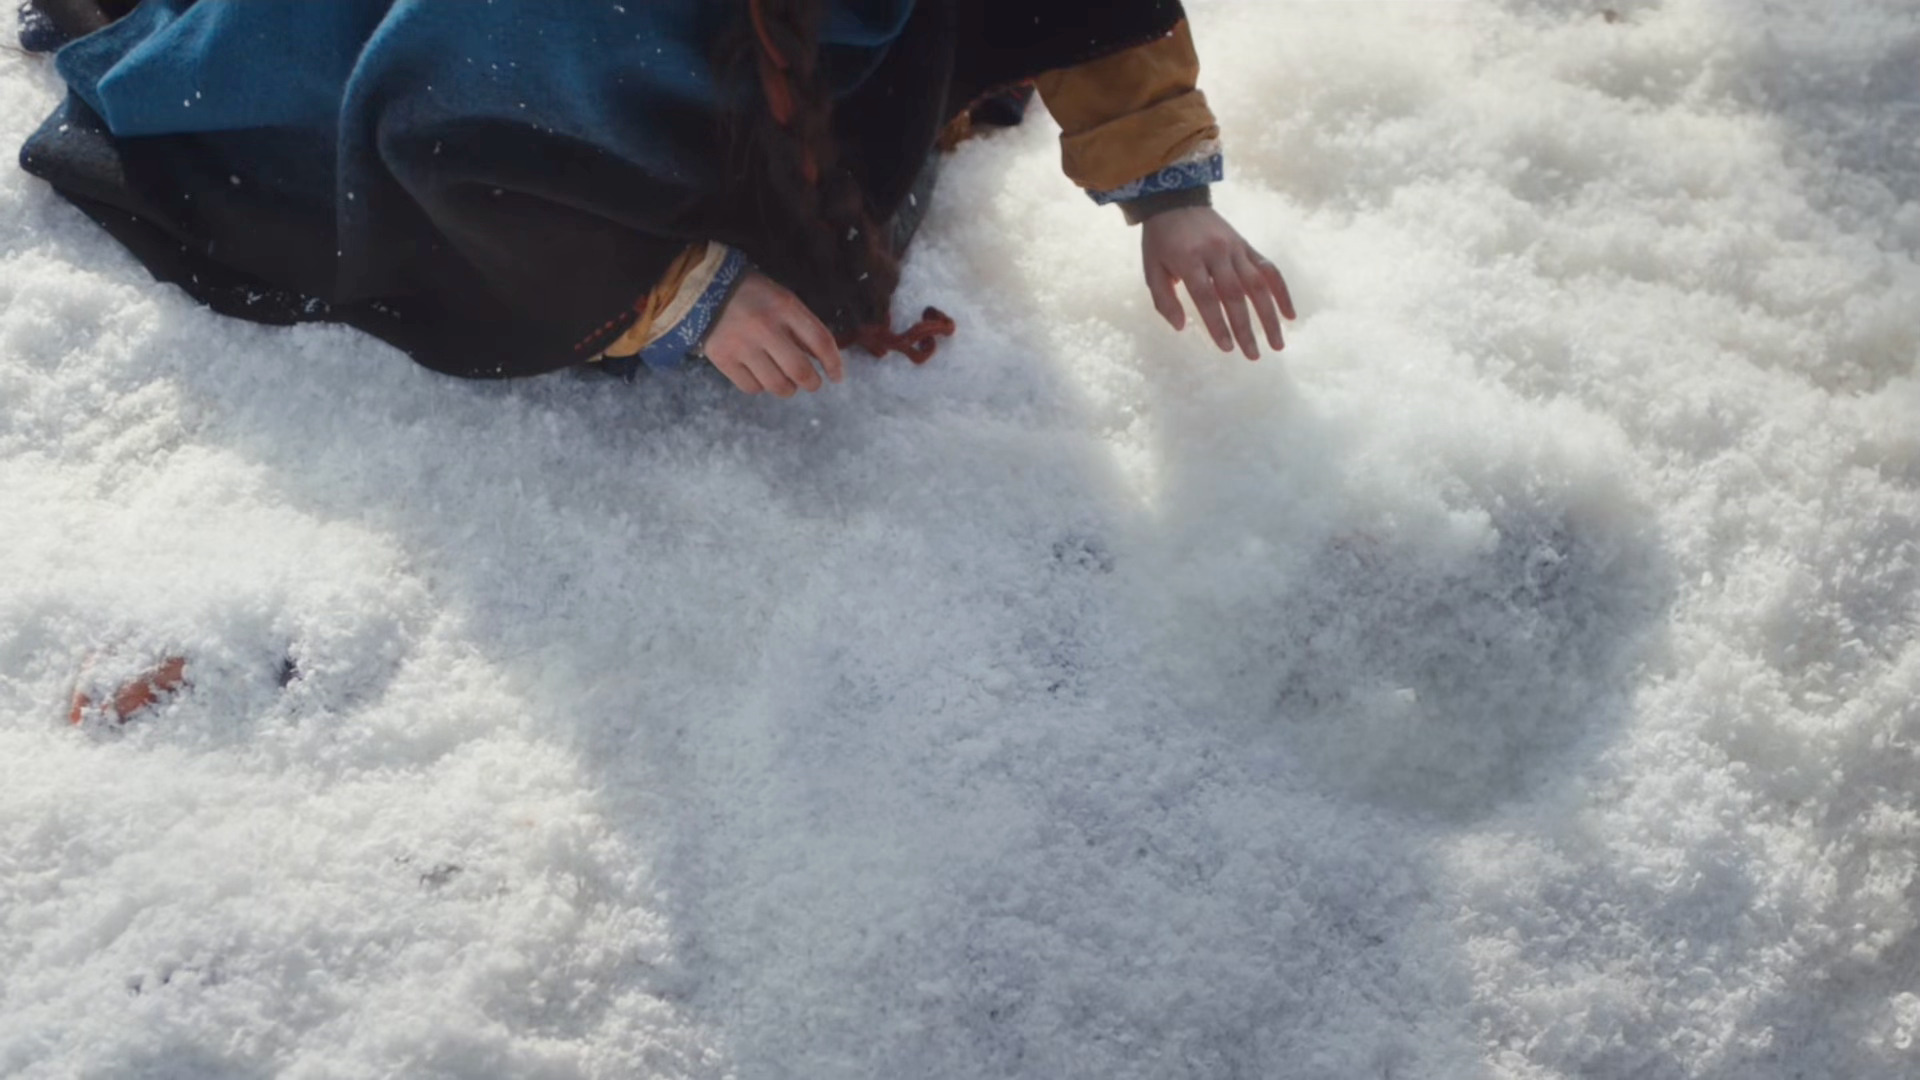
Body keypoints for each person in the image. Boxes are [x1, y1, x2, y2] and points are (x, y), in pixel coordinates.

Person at [18, 0, 1294, 399]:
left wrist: (1165, 188)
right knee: (281, 111)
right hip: (473, 74)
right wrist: (675, 292)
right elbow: (451, 136)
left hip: (755, 64)